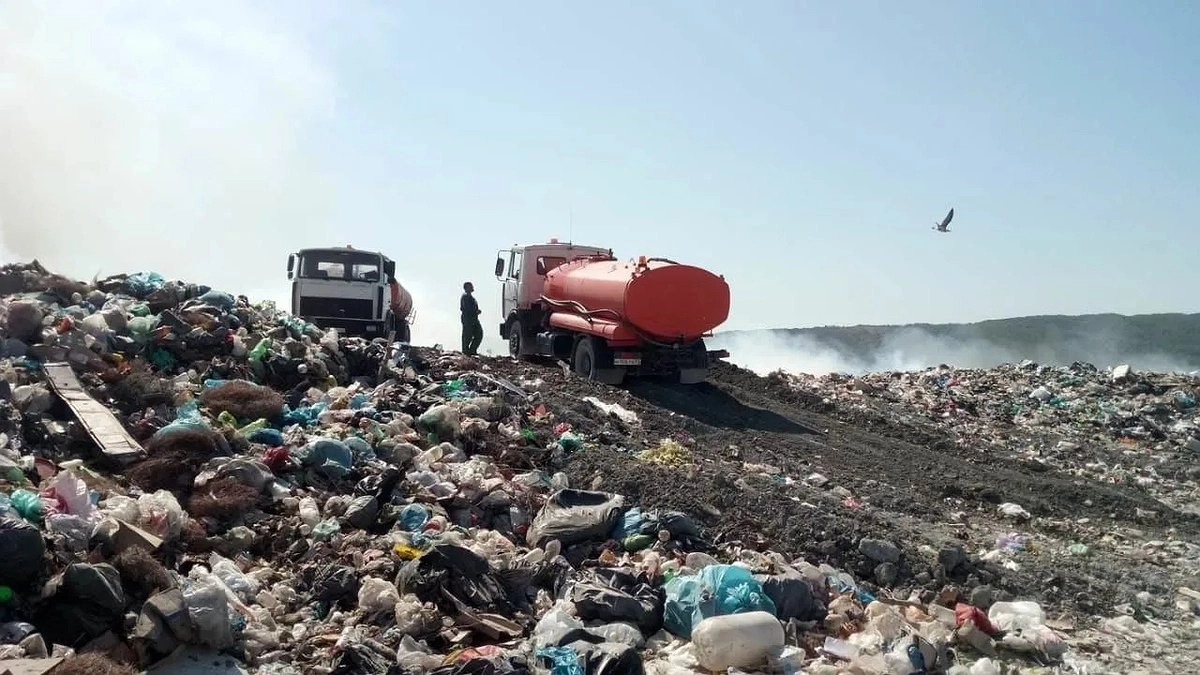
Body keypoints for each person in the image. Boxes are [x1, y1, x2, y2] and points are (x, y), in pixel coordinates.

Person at [460, 281, 483, 355]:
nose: (472, 287)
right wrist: (475, 311)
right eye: (470, 286)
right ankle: (466, 352)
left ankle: (472, 350)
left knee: (479, 334)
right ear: (466, 288)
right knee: (467, 336)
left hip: (474, 319)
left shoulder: (471, 297)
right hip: (468, 319)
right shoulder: (465, 296)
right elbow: (466, 308)